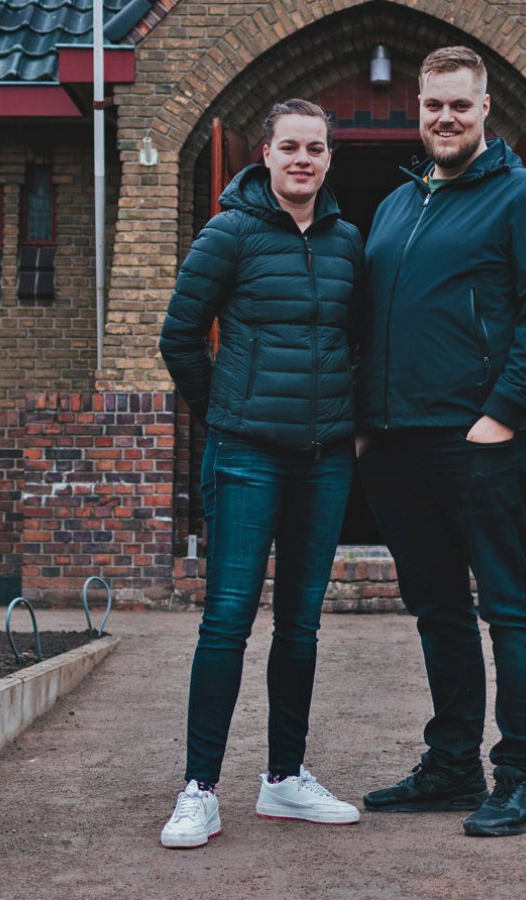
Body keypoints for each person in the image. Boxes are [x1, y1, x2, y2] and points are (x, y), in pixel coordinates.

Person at [355, 46, 526, 837]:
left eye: (459, 105)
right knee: (438, 611)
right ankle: (452, 765)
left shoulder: (525, 197)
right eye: (432, 106)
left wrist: (503, 415)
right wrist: (363, 422)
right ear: (416, 110)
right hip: (396, 446)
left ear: (485, 109)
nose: (444, 118)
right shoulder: (397, 205)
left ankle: (522, 778)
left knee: (510, 608)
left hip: (480, 441)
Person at [156, 98, 365, 849]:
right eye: (289, 148)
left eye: (315, 148)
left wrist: (352, 420)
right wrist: (225, 409)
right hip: (245, 453)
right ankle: (199, 790)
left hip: (325, 458)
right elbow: (179, 334)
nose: (302, 160)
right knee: (228, 618)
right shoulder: (229, 231)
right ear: (266, 155)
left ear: (328, 158)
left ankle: (285, 780)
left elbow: (359, 339)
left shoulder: (347, 242)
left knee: (301, 623)